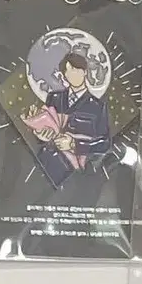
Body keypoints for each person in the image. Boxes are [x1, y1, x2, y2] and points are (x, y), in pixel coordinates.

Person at [25, 52, 111, 188]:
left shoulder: (98, 106)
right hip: (46, 166)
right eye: (68, 71)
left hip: (78, 177)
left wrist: (74, 144)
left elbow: (105, 143)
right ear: (64, 75)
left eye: (76, 70)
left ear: (85, 72)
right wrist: (39, 134)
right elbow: (40, 138)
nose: (72, 74)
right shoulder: (54, 97)